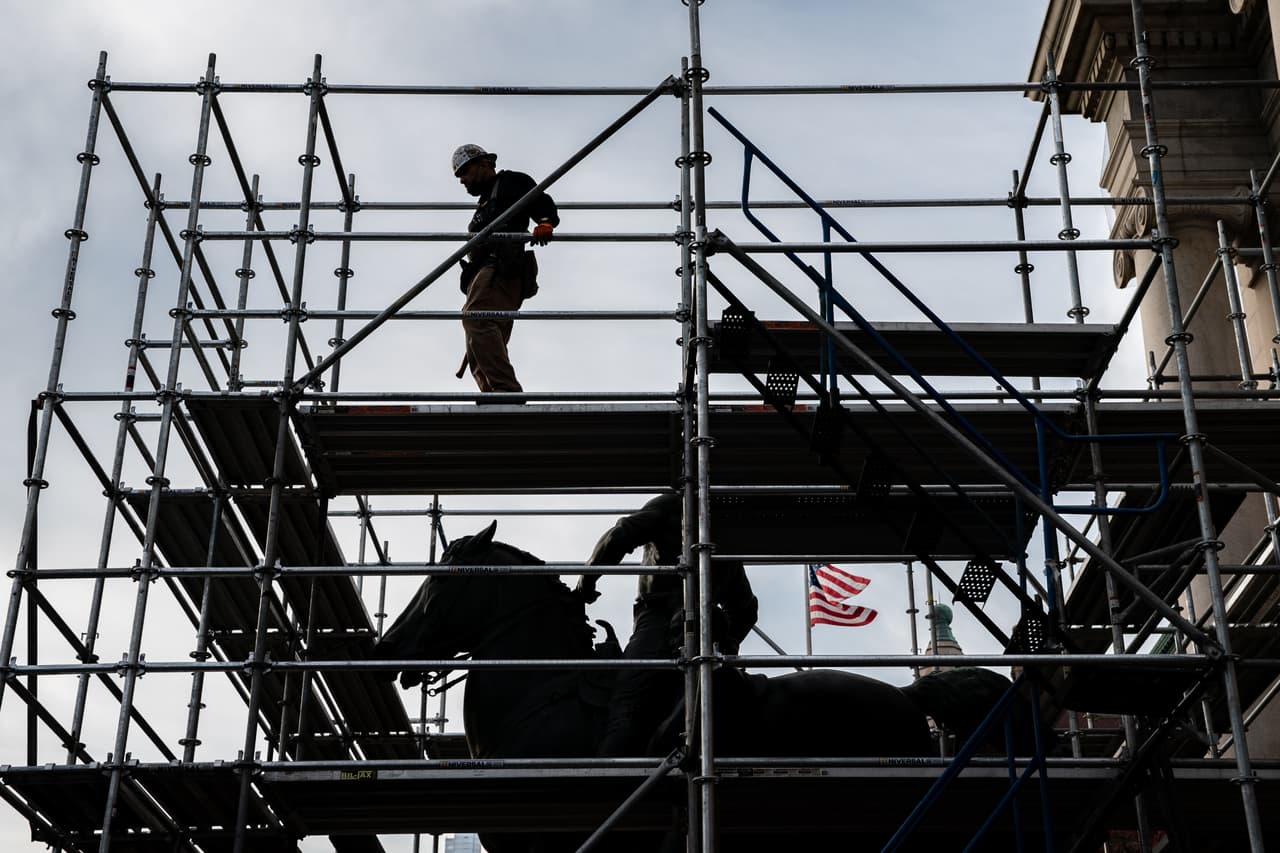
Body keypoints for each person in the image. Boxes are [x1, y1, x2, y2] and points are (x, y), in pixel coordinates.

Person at [579, 492, 759, 756]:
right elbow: (746, 609)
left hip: (660, 622)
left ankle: (612, 767)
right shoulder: (725, 530)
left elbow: (620, 535)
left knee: (628, 701)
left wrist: (587, 579)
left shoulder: (675, 505)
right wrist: (725, 643)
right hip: (704, 632)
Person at [451, 143, 559, 395]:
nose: (462, 180)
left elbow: (539, 199)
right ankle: (493, 395)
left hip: (500, 267)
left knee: (476, 321)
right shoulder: (486, 201)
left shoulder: (509, 182)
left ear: (484, 164)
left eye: (465, 172)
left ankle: (505, 390)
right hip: (485, 273)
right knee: (479, 338)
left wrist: (545, 222)